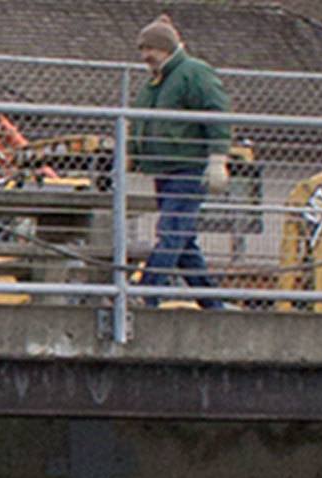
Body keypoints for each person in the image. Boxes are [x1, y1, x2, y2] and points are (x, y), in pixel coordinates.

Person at [129, 15, 231, 309]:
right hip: (164, 168)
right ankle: (213, 306)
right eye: (143, 50)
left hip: (188, 167)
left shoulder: (193, 73)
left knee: (171, 231)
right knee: (183, 240)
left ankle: (146, 292)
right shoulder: (157, 82)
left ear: (166, 48)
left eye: (151, 48)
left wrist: (217, 158)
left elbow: (217, 112)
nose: (145, 56)